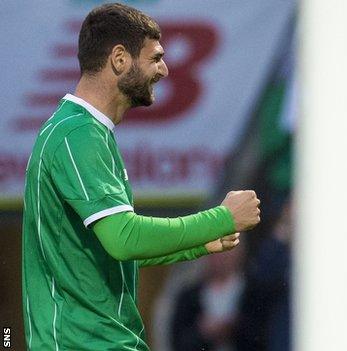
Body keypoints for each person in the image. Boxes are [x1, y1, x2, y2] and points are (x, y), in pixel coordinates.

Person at [21, 3, 260, 350]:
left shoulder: (88, 133)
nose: (164, 69)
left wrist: (200, 244)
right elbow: (124, 239)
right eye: (156, 57)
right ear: (119, 59)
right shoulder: (77, 135)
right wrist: (221, 218)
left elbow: (114, 247)